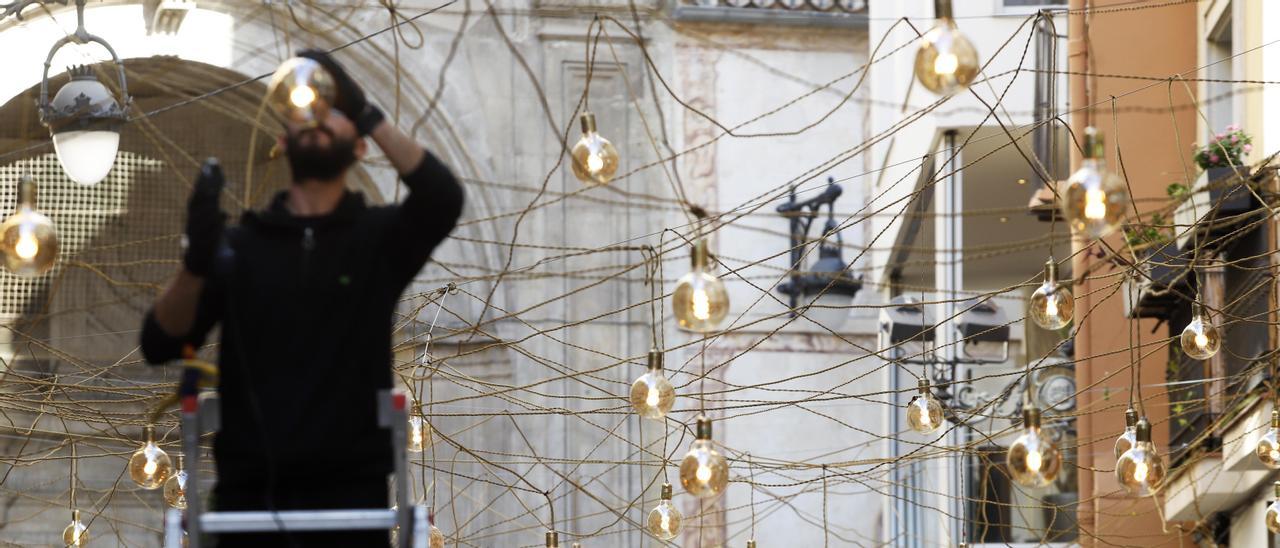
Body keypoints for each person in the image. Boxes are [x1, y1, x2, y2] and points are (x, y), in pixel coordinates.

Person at [139, 50, 464, 546]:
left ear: (358, 146)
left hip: (351, 500)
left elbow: (441, 196)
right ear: (282, 141)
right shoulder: (241, 247)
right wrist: (195, 264)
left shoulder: (376, 241)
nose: (316, 115)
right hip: (251, 501)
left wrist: (368, 114)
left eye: (333, 110)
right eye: (304, 110)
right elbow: (160, 341)